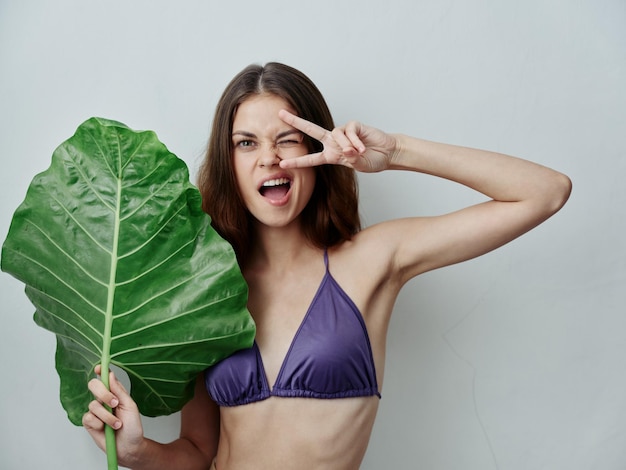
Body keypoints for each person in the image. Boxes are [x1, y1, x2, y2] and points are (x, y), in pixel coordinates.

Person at [83, 62, 571, 469]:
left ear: (316, 149)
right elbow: (197, 451)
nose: (270, 159)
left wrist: (396, 151)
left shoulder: (374, 259)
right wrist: (137, 452)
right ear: (228, 161)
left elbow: (544, 193)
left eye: (288, 139)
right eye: (246, 143)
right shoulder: (205, 288)